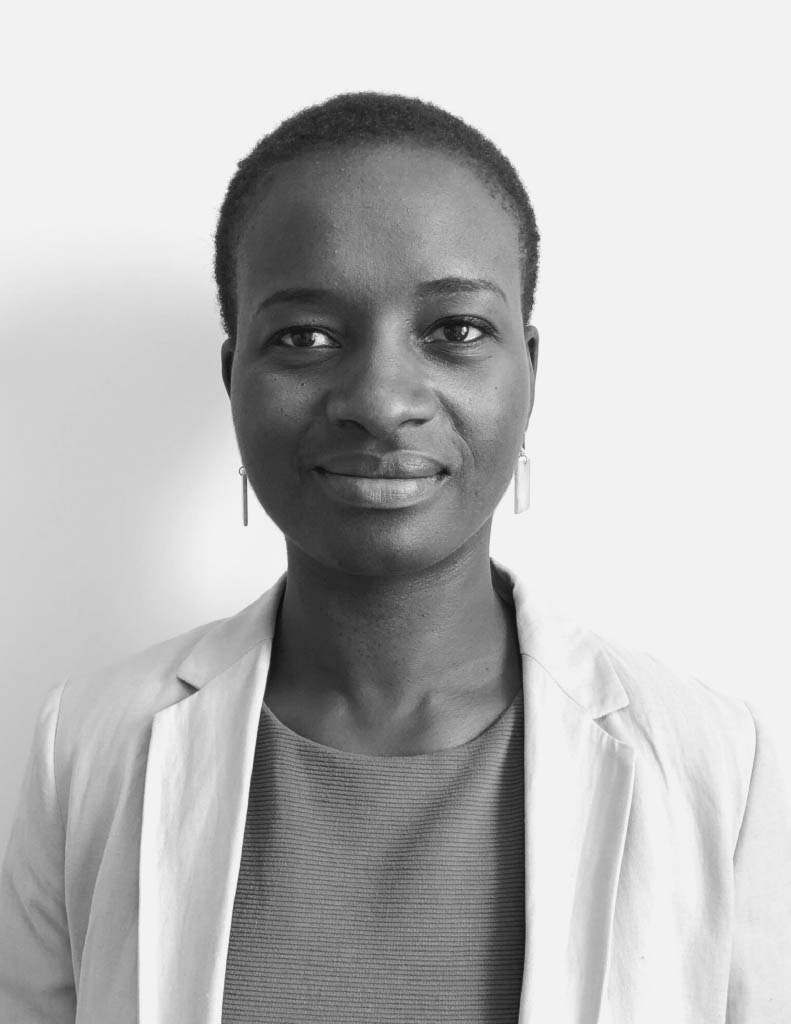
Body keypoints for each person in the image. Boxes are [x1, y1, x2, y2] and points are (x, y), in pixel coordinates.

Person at [1, 91, 789, 1024]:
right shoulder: (86, 746)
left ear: (529, 371)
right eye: (304, 336)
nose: (380, 401)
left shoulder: (715, 763)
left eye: (455, 331)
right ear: (233, 378)